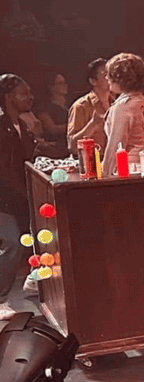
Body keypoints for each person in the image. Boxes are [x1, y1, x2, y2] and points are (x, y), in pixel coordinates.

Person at [0, 75, 36, 319]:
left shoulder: (21, 126)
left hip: (17, 197)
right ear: (9, 96)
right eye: (24, 93)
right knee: (12, 243)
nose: (30, 97)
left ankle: (35, 281)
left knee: (25, 240)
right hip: (4, 197)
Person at [103, 52, 144, 176]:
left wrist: (104, 175)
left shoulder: (123, 107)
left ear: (121, 79)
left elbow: (115, 146)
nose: (107, 78)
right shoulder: (142, 101)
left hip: (127, 170)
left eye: (110, 75)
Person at [66, 58, 111, 156]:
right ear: (93, 81)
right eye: (105, 75)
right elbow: (72, 146)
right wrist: (93, 124)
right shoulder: (81, 106)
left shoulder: (116, 104)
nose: (110, 78)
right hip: (91, 162)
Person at [34, 71, 70, 142]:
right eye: (60, 83)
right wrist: (75, 126)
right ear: (50, 87)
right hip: (56, 144)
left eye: (64, 83)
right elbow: (52, 129)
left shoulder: (71, 103)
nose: (64, 85)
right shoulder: (43, 107)